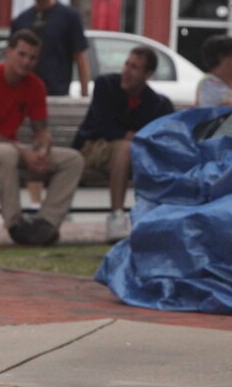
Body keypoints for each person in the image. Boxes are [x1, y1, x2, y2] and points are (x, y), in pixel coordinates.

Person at [0, 29, 84, 245]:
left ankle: (46, 224)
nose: (26, 62)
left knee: (73, 160)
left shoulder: (35, 85)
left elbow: (40, 128)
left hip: (9, 149)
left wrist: (42, 148)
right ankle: (15, 225)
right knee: (6, 154)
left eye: (32, 57)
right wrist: (24, 152)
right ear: (9, 52)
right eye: (21, 55)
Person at [71, 46, 174, 241]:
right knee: (126, 148)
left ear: (148, 74)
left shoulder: (158, 103)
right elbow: (103, 126)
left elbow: (162, 137)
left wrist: (137, 139)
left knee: (160, 155)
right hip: (94, 146)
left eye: (134, 67)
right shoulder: (106, 85)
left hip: (135, 155)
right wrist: (135, 137)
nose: (126, 71)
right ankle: (116, 216)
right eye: (127, 64)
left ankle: (159, 220)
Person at [11, 0, 90, 208]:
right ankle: (35, 202)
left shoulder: (68, 16)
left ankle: (55, 202)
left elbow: (80, 55)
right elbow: (12, 56)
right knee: (31, 144)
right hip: (23, 95)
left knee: (53, 146)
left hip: (55, 93)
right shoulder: (21, 19)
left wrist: (85, 92)